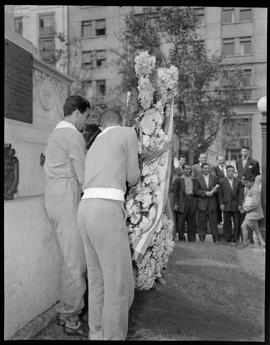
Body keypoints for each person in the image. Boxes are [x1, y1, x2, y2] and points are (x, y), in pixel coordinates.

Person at [77, 107, 140, 340]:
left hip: (85, 210)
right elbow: (133, 177)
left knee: (97, 280)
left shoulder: (92, 143)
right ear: (121, 122)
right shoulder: (128, 133)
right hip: (106, 209)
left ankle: (96, 333)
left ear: (102, 126)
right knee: (118, 284)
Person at [44, 95, 90, 337]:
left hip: (52, 196)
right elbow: (83, 175)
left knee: (67, 258)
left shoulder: (55, 133)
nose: (86, 121)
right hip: (66, 195)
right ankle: (71, 316)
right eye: (86, 115)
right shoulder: (73, 135)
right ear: (78, 113)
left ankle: (67, 308)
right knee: (75, 261)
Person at [194, 163, 220, 243]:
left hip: (212, 203)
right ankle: (202, 238)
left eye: (208, 168)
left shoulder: (215, 178)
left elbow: (218, 190)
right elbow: (196, 190)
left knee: (213, 222)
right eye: (204, 168)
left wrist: (213, 192)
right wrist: (205, 193)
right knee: (202, 222)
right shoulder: (197, 179)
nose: (206, 169)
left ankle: (215, 238)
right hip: (202, 203)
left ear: (210, 169)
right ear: (202, 169)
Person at [218, 165, 242, 244]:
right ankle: (227, 238)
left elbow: (240, 194)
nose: (231, 172)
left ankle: (236, 238)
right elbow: (220, 194)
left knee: (237, 222)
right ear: (226, 172)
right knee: (226, 222)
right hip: (226, 204)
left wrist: (240, 204)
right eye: (229, 171)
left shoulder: (238, 181)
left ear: (234, 172)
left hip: (235, 205)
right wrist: (221, 203)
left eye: (232, 171)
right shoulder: (221, 181)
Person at [240, 174, 265, 248]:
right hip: (252, 212)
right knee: (256, 229)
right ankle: (262, 243)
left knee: (243, 226)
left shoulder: (255, 190)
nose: (245, 184)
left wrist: (244, 209)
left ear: (251, 182)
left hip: (254, 212)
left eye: (247, 182)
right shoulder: (252, 187)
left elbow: (254, 203)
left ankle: (244, 243)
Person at [173, 164, 197, 242]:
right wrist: (176, 203)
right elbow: (175, 193)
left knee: (192, 221)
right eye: (186, 169)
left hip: (192, 200)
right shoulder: (179, 180)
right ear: (183, 170)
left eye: (189, 169)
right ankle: (182, 237)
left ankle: (192, 238)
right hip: (182, 201)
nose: (188, 171)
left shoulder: (194, 179)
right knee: (181, 221)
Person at [213, 154, 227, 224]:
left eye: (222, 160)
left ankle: (226, 220)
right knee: (219, 205)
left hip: (227, 190)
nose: (221, 161)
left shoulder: (227, 168)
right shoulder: (214, 168)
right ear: (217, 161)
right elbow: (215, 178)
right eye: (220, 160)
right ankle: (219, 220)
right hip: (219, 189)